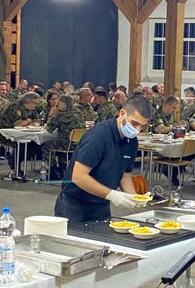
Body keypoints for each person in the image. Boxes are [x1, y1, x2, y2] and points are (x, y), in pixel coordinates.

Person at [54, 95, 152, 224]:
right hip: (75, 205)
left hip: (101, 204)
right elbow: (78, 177)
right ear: (122, 114)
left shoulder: (131, 142)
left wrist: (133, 198)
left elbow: (125, 175)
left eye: (142, 126)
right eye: (134, 123)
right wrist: (113, 195)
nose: (137, 129)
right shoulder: (98, 136)